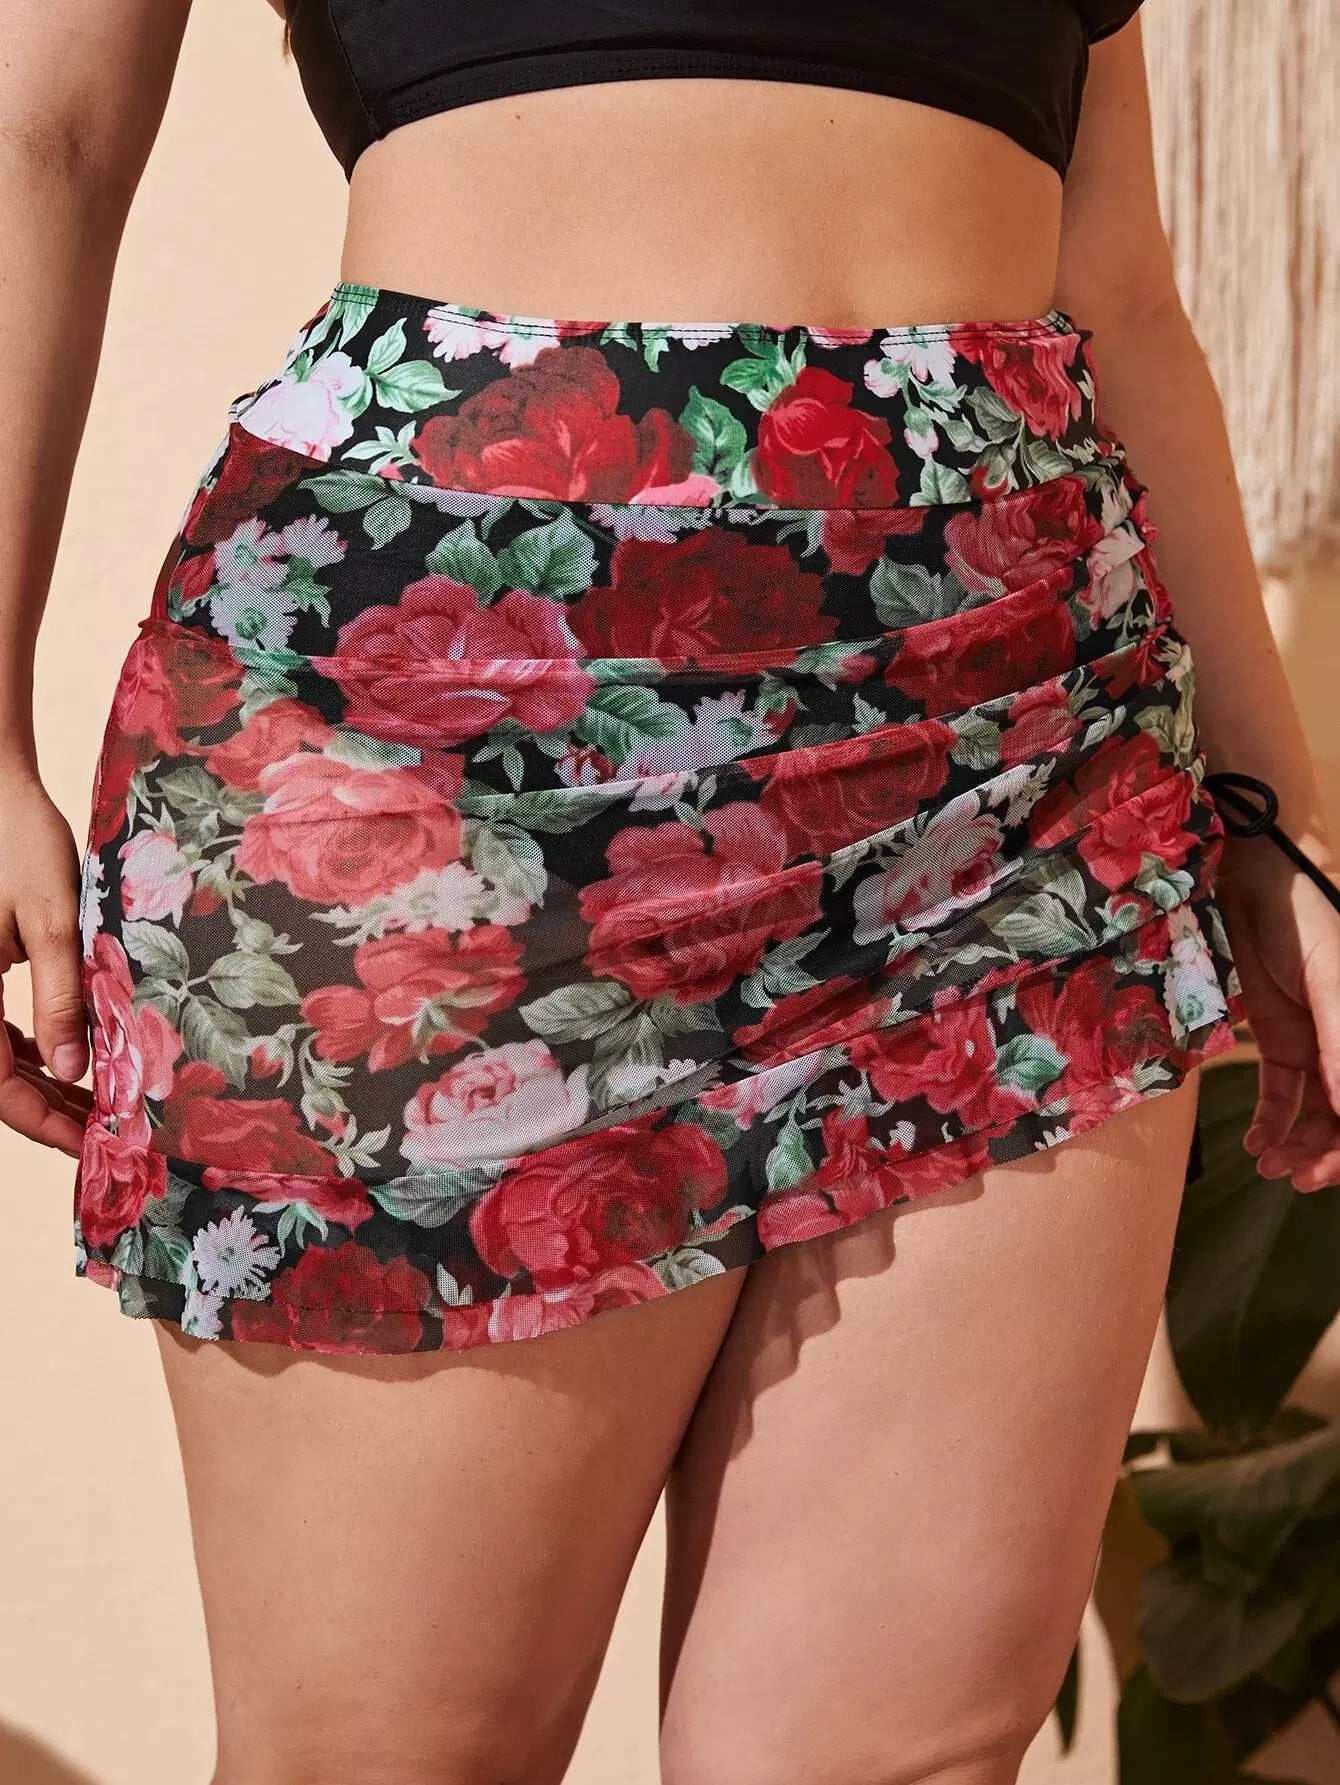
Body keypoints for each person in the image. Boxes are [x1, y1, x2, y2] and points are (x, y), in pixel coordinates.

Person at [4, 3, 1339, 1780]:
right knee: (391, 1755)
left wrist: (1278, 821)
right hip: (427, 741)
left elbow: (1117, 278)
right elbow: (40, 135)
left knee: (898, 1755)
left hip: (1026, 742)